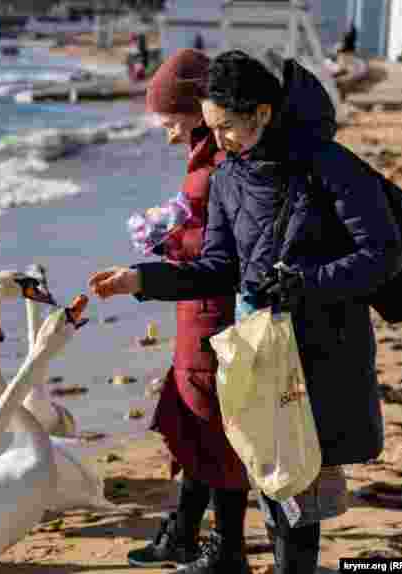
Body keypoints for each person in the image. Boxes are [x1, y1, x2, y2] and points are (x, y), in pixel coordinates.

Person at [89, 50, 402, 574]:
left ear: (261, 112)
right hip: (262, 349)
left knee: (299, 487)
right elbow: (217, 267)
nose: (219, 141)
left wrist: (306, 283)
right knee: (275, 478)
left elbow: (382, 255)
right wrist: (142, 280)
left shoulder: (328, 165)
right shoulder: (230, 177)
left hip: (324, 351)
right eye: (211, 128)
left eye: (227, 127)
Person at [123, 49, 252, 574]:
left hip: (211, 314)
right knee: (194, 424)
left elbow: (222, 252)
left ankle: (227, 551)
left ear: (199, 111)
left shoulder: (216, 166)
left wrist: (165, 249)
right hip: (196, 309)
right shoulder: (205, 158)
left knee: (214, 429)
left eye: (172, 121)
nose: (169, 134)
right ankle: (184, 533)